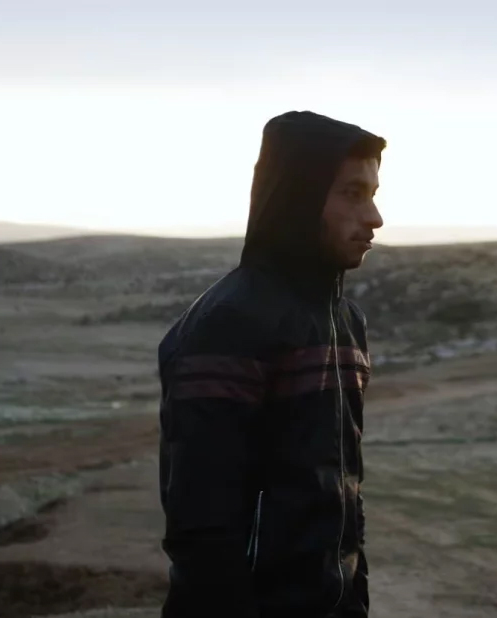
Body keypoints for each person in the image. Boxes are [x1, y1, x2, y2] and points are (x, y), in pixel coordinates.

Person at [156, 111, 386, 618]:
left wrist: (355, 597)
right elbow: (202, 526)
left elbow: (345, 491)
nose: (374, 217)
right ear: (299, 196)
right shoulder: (230, 323)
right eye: (352, 193)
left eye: (373, 194)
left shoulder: (346, 321)